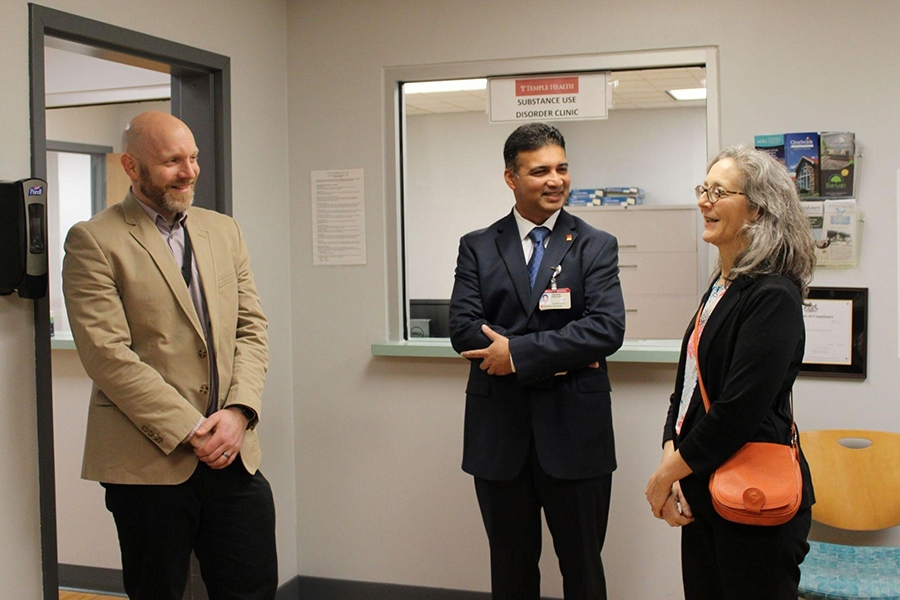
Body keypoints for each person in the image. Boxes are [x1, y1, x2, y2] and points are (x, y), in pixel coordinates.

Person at [62, 111, 277, 599]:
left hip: (233, 453)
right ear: (131, 167)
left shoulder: (223, 231)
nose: (189, 171)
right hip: (149, 461)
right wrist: (191, 428)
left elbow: (251, 327)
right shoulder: (94, 240)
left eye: (194, 157)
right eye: (172, 161)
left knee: (253, 587)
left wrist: (240, 412)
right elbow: (107, 355)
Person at [449, 122, 625, 599]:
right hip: (500, 437)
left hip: (575, 435)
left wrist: (518, 354)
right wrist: (565, 353)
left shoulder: (594, 245)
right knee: (511, 573)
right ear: (511, 177)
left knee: (583, 572)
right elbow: (464, 329)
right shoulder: (478, 246)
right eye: (540, 170)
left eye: (562, 168)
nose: (556, 180)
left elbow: (606, 329)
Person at [645, 145, 817, 599]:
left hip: (753, 505)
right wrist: (671, 456)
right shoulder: (723, 286)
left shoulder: (773, 295)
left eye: (719, 191)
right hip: (704, 491)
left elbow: (737, 411)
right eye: (704, 189)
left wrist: (667, 475)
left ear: (759, 210)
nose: (704, 200)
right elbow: (687, 387)